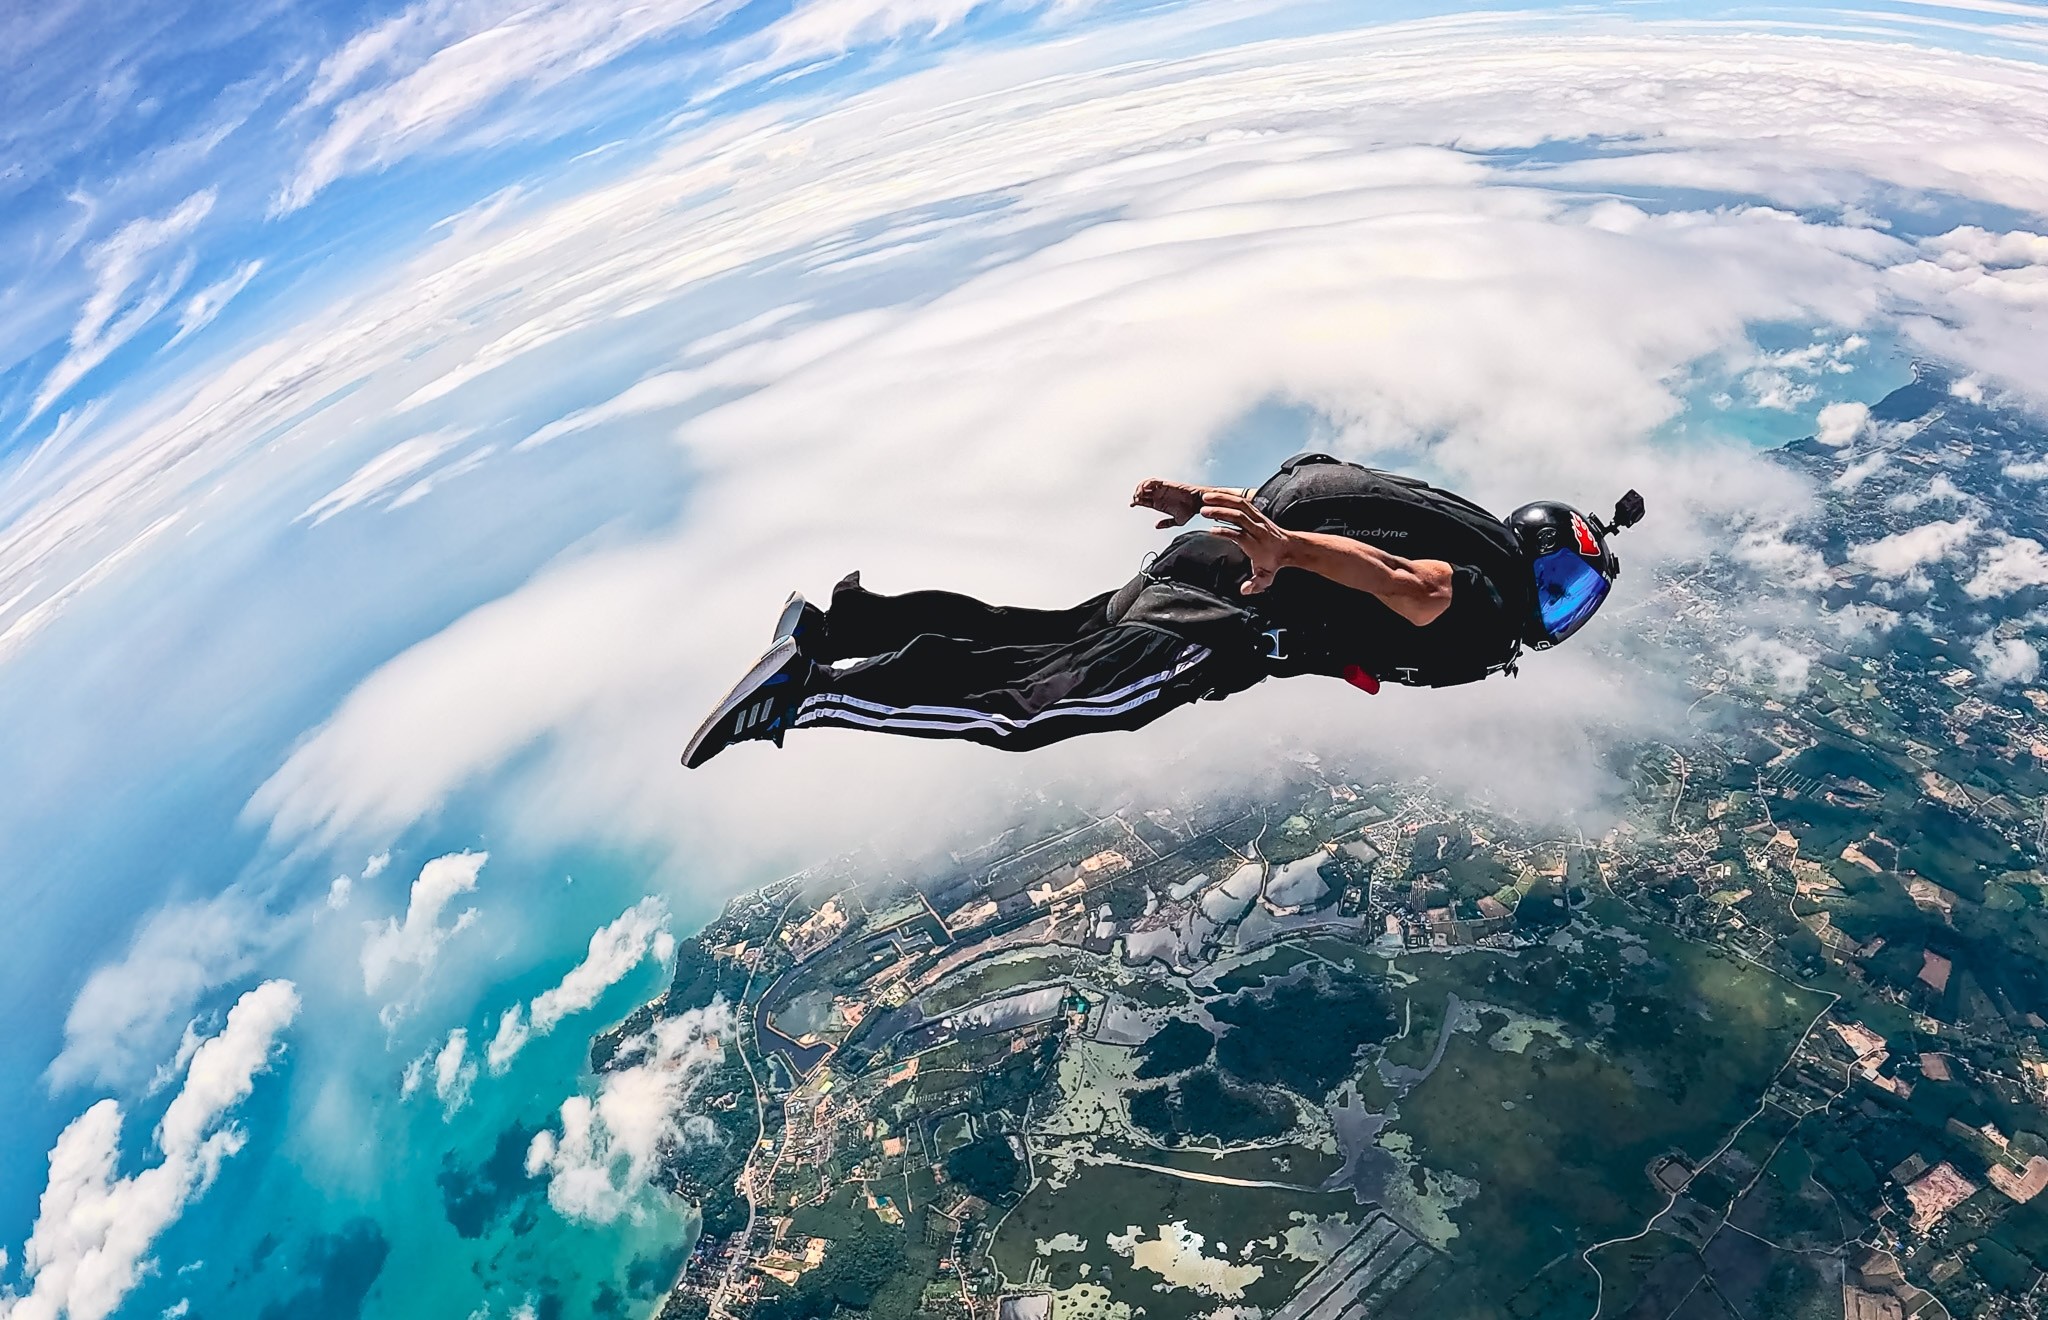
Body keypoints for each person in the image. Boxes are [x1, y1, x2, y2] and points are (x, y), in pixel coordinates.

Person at [683, 453, 1643, 768]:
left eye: (1570, 601)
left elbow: (1328, 496)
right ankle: (803, 694)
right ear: (1534, 567)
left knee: (1031, 629)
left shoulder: (1458, 525)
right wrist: (1284, 551)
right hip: (1231, 610)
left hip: (1201, 562)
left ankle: (842, 625)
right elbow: (1411, 587)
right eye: (1561, 591)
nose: (1552, 613)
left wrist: (1222, 517)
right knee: (1037, 706)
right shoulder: (1481, 601)